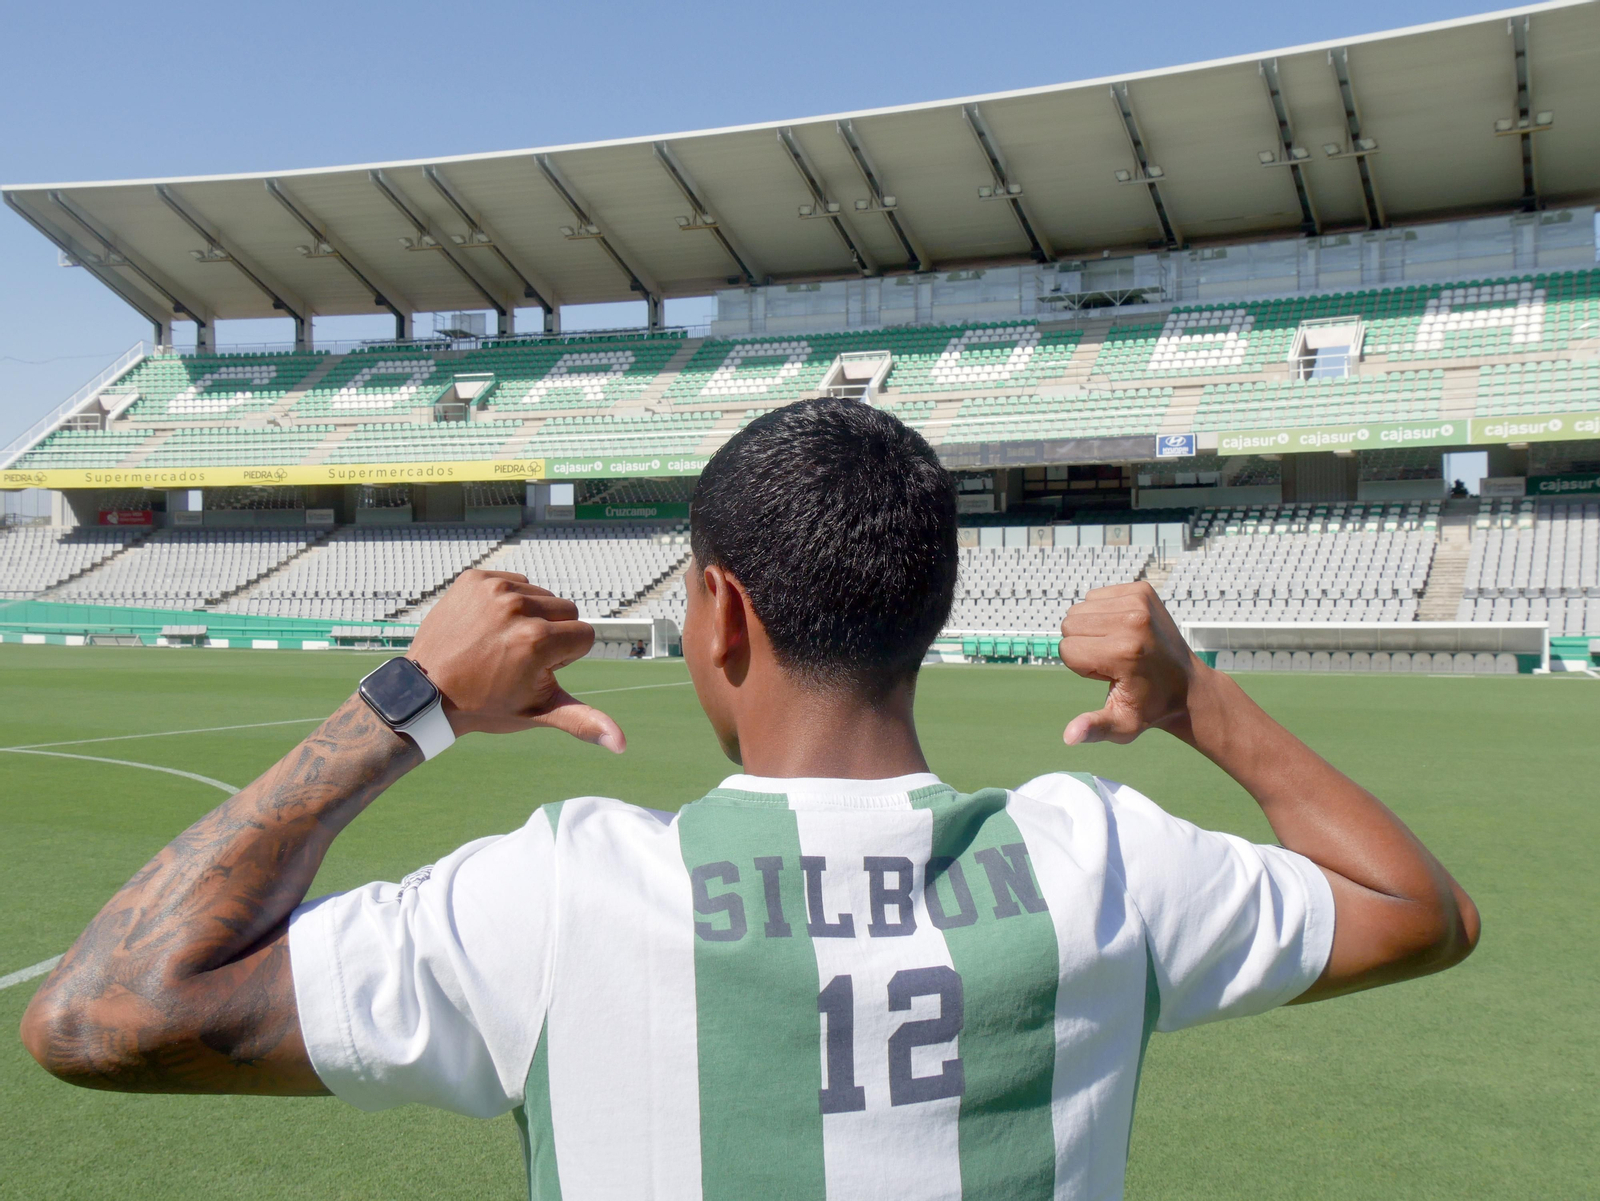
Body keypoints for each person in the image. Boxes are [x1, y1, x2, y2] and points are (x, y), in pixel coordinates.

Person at [20, 399, 1479, 1200]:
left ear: (721, 613)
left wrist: (409, 702)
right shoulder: (1100, 859)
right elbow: (1419, 909)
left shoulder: (561, 894)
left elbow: (100, 1013)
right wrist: (1194, 693)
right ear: (927, 606)